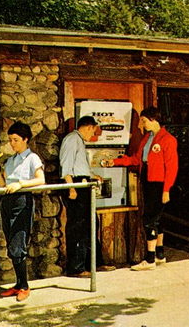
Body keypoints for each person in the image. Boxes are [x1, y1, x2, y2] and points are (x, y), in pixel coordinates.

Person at [102, 107, 178, 271]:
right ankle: (159, 254)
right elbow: (136, 159)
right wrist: (115, 162)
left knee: (150, 218)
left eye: (143, 121)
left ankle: (150, 259)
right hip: (147, 180)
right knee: (156, 218)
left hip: (159, 183)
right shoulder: (147, 138)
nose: (141, 125)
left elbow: (172, 167)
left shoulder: (168, 139)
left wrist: (166, 190)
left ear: (153, 119)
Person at [0, 121, 45, 302]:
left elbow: (41, 180)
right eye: (10, 140)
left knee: (18, 245)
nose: (12, 144)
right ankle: (18, 284)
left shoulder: (32, 158)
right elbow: (3, 184)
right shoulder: (10, 160)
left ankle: (25, 286)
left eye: (16, 140)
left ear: (25, 139)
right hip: (7, 201)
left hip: (22, 201)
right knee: (11, 244)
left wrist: (21, 184)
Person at [59, 115, 115, 276]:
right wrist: (71, 188)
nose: (93, 135)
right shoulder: (72, 139)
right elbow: (66, 166)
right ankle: (76, 267)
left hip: (83, 184)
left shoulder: (79, 141)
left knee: (91, 223)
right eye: (94, 131)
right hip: (75, 185)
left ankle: (94, 263)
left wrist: (92, 175)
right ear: (89, 127)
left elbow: (79, 166)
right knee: (78, 226)